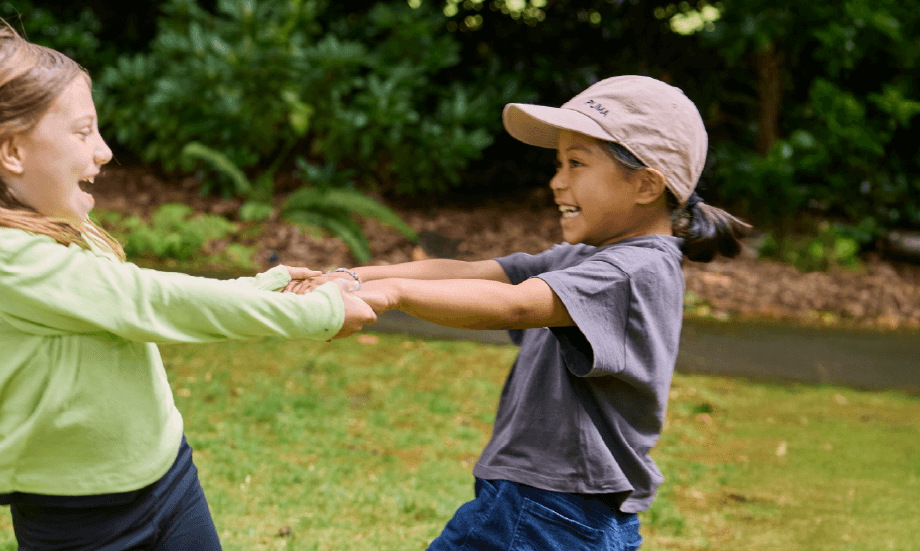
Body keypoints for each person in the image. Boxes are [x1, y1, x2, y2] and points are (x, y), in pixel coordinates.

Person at [0, 27, 375, 550]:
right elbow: (148, 302)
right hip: (84, 517)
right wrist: (315, 314)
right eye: (84, 132)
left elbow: (130, 296)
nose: (105, 151)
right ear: (11, 151)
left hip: (168, 474)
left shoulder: (48, 228)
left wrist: (262, 287)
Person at [318, 75, 749, 550]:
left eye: (577, 163)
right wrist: (351, 278)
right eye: (558, 163)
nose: (557, 181)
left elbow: (517, 303)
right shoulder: (587, 258)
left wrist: (393, 295)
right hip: (547, 504)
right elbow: (470, 273)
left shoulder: (633, 269)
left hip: (555, 509)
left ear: (646, 184)